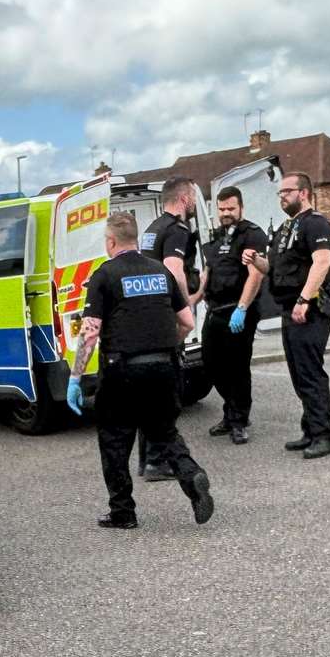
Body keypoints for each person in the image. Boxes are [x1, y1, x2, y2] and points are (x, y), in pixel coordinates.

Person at [66, 211, 214, 529]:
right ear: (135, 239)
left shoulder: (104, 275)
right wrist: (163, 348)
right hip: (164, 368)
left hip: (121, 372)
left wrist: (75, 377)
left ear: (110, 241)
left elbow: (90, 331)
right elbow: (186, 322)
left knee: (115, 439)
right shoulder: (160, 271)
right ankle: (192, 476)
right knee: (163, 430)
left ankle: (123, 512)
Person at [240, 172, 330, 459]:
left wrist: (304, 299)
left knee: (309, 372)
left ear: (304, 193)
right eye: (280, 192)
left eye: (287, 191)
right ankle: (311, 429)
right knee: (298, 373)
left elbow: (322, 262)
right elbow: (274, 267)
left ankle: (324, 435)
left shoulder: (315, 223)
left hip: (310, 307)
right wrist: (255, 260)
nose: (282, 196)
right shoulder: (286, 227)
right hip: (290, 307)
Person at [136, 177, 201, 480]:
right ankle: (157, 462)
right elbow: (174, 270)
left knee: (148, 394)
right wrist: (185, 308)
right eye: (191, 198)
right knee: (167, 394)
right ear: (185, 199)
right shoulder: (176, 230)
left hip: (147, 316)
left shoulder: (152, 228)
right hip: (166, 316)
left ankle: (146, 459)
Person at [198, 186, 269, 444]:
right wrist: (191, 300)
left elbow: (256, 274)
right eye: (222, 209)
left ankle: (238, 420)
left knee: (237, 368)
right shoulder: (216, 238)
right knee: (211, 365)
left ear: (241, 208)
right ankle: (232, 411)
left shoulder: (252, 235)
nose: (226, 213)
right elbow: (207, 274)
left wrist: (241, 308)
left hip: (239, 311)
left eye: (231, 208)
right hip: (214, 311)